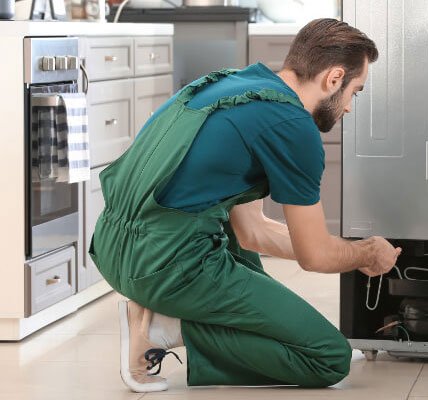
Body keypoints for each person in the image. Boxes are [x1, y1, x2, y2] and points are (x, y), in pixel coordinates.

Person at [88, 18, 401, 392]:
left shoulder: (234, 86)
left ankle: (163, 314)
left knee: (242, 260)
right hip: (165, 265)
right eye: (355, 91)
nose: (350, 106)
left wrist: (340, 251)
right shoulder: (293, 126)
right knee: (327, 357)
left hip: (113, 249)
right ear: (334, 78)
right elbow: (314, 256)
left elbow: (253, 233)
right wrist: (366, 254)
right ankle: (162, 329)